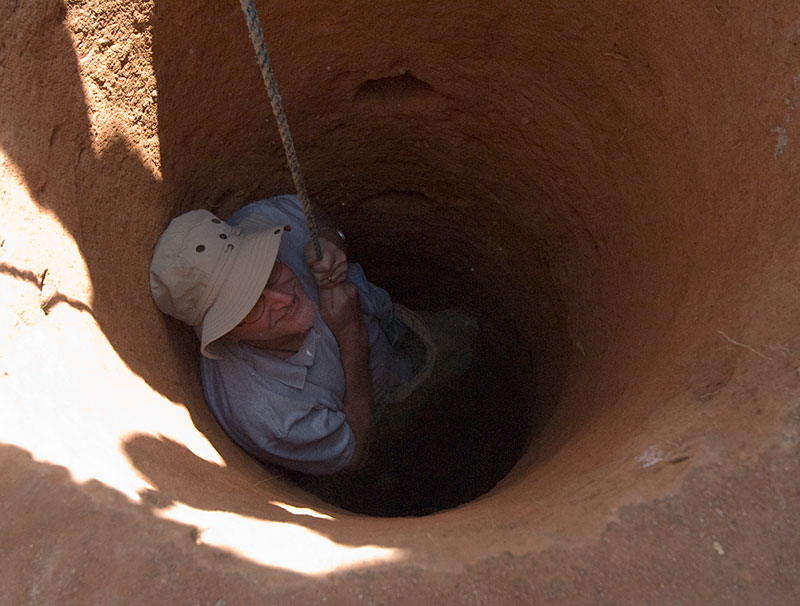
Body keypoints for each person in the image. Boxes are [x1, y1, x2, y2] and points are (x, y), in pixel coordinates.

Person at [149, 194, 422, 476]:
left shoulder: (263, 221)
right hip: (383, 402)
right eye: (251, 306)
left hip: (386, 317)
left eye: (269, 271)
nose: (283, 298)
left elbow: (309, 214)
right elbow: (357, 452)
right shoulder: (269, 414)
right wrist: (351, 334)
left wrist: (331, 238)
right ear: (228, 334)